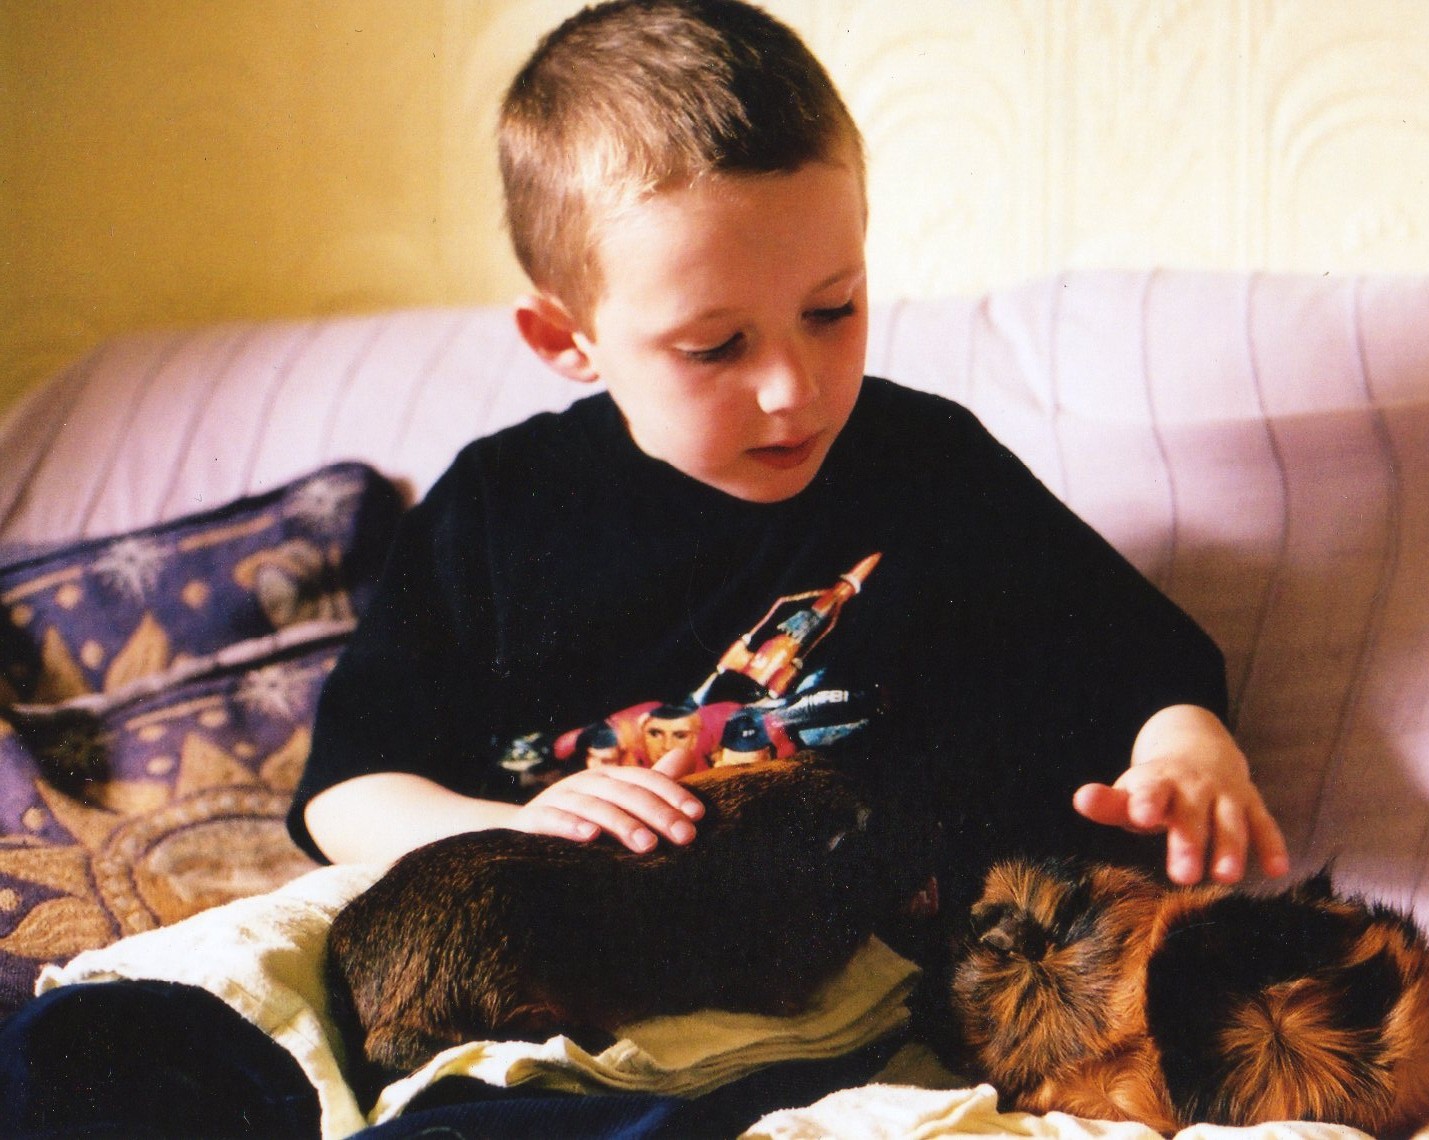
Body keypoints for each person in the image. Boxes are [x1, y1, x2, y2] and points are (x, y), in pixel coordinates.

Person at [0, 2, 1288, 1135]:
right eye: (716, 346)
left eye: (833, 309)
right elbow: (348, 790)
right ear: (567, 339)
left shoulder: (926, 467)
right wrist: (507, 827)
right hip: (508, 935)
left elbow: (1134, 655)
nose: (794, 389)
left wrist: (1183, 749)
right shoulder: (500, 508)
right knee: (194, 989)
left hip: (801, 964)